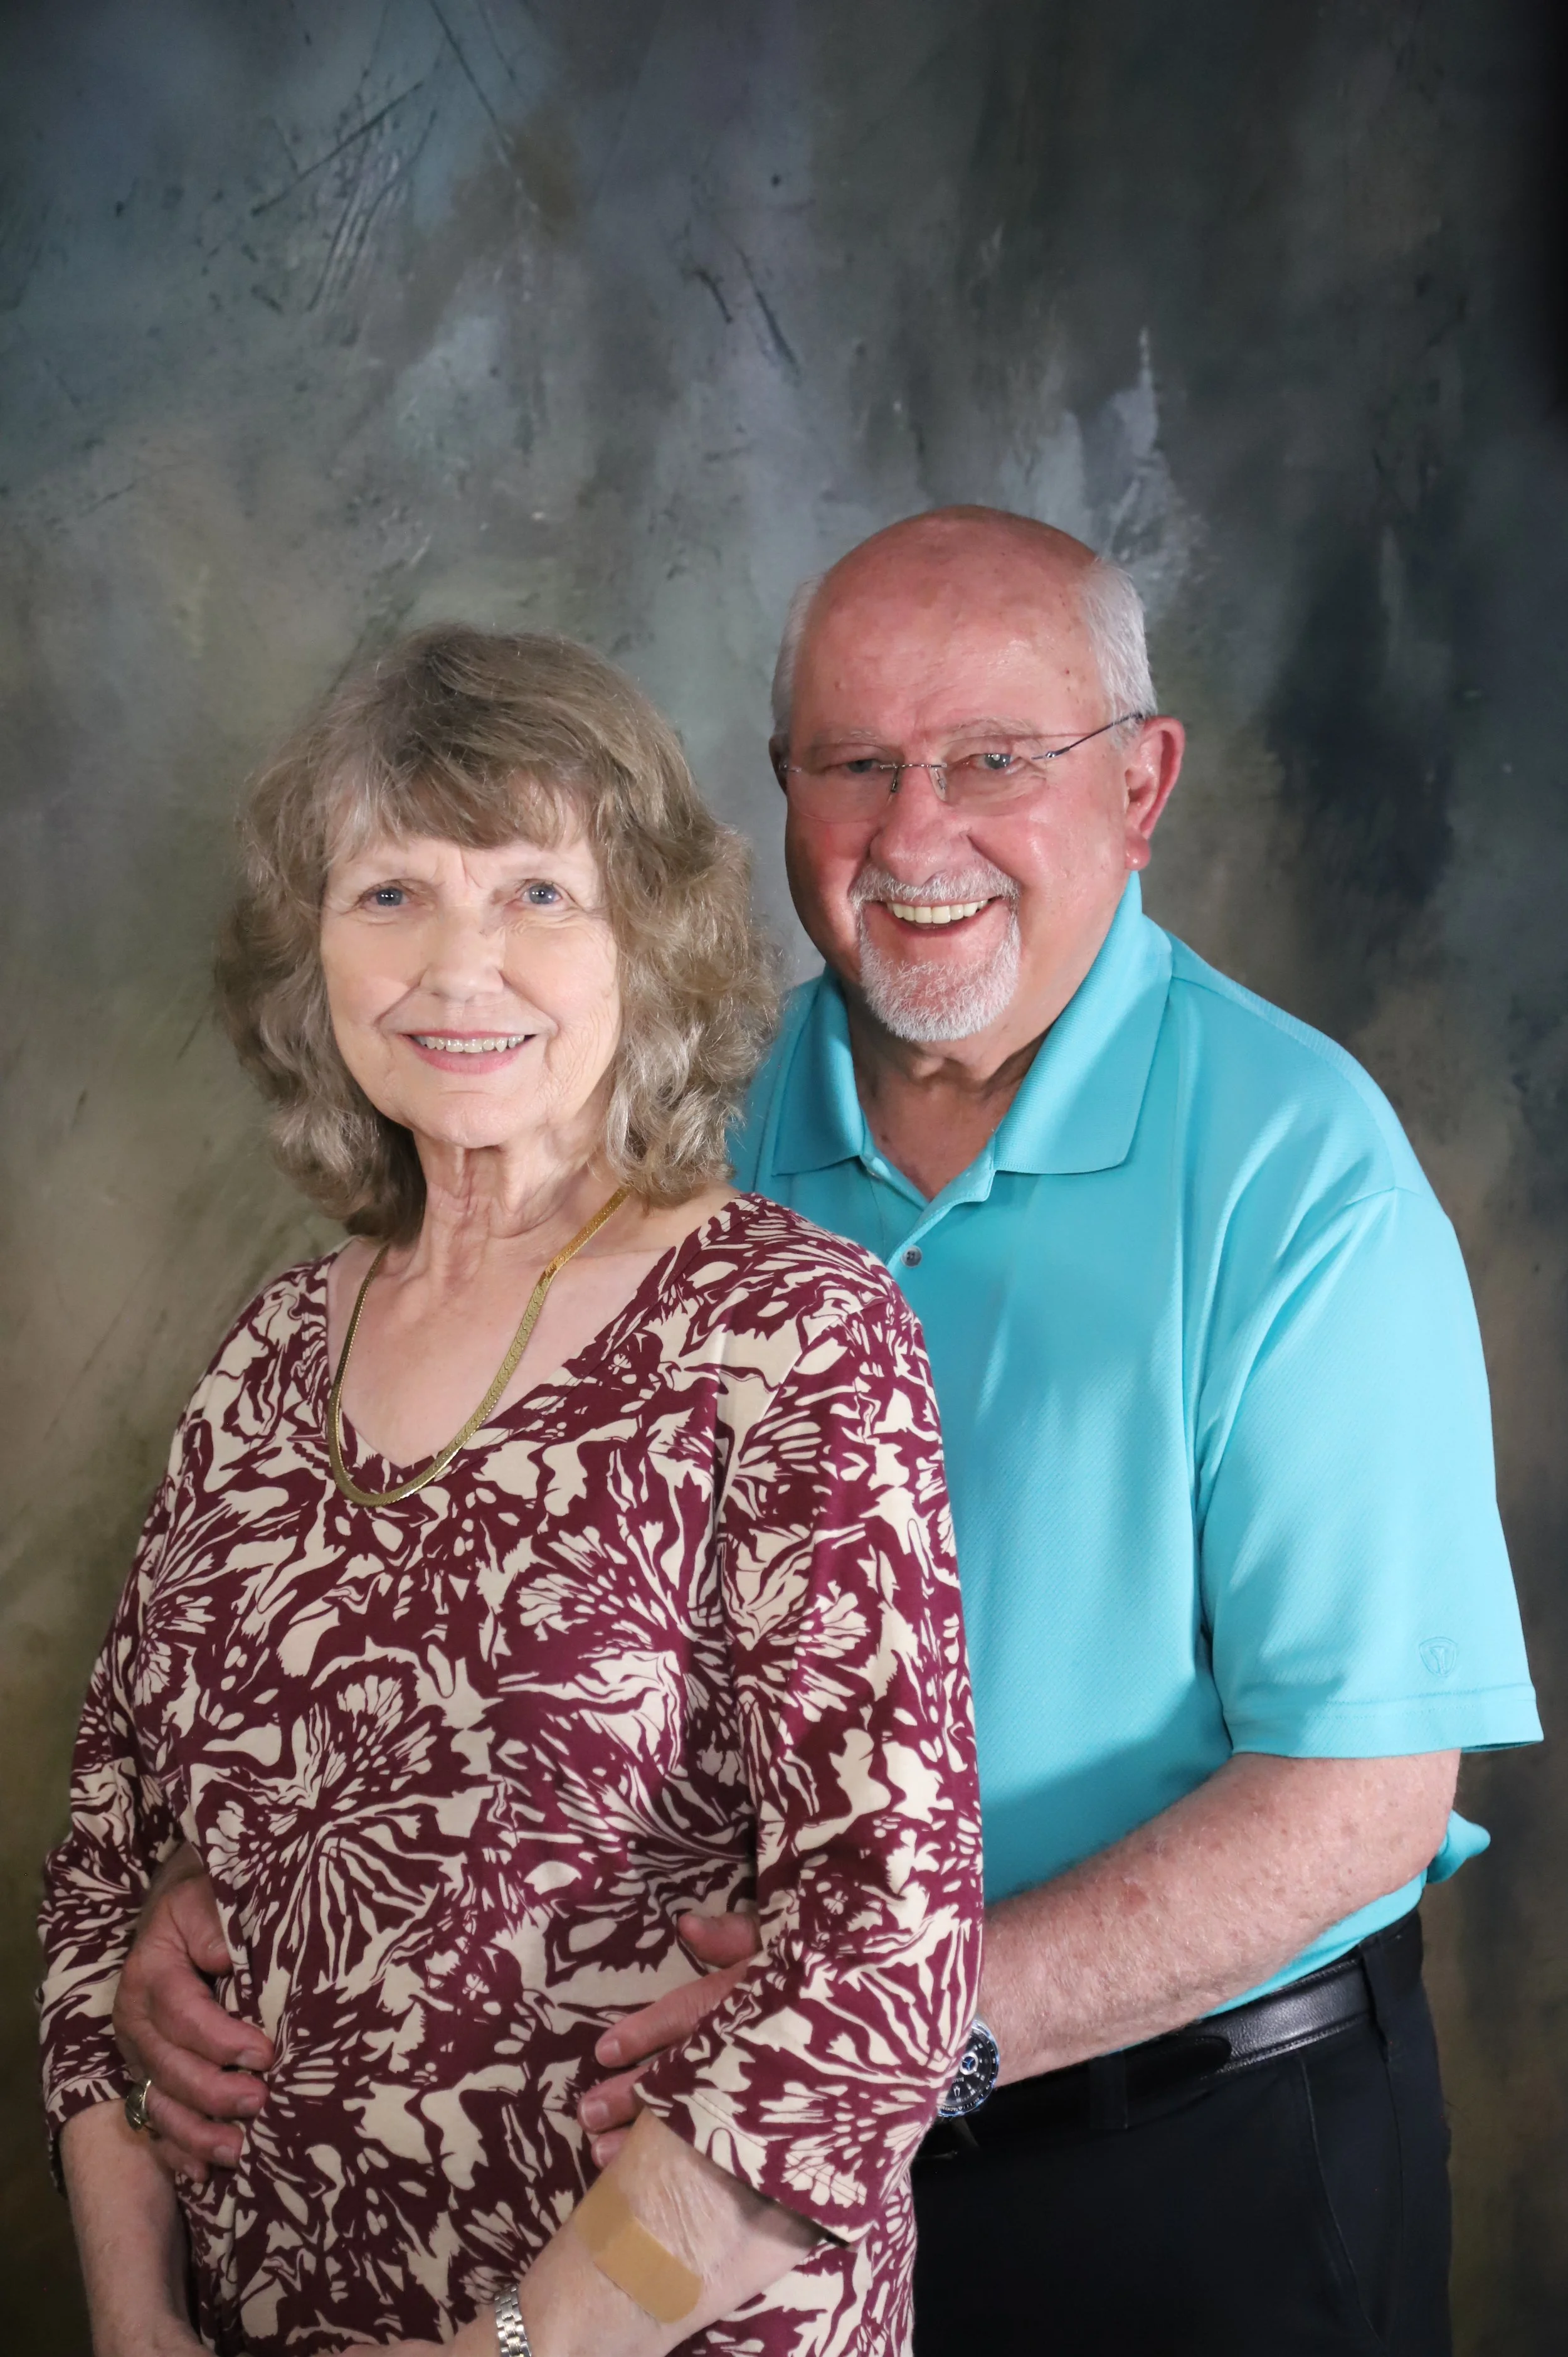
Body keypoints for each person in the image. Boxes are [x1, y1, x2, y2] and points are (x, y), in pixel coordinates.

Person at [114, 510, 1542, 2356]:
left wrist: (896, 2028)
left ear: (1142, 782)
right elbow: (431, 1606)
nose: (913, 832)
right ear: (775, 792)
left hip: (1174, 2156)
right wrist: (228, 1887)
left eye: (991, 763)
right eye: (851, 765)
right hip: (683, 2200)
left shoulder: (1295, 1166)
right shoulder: (671, 1112)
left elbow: (1362, 1794)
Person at [38, 625, 985, 2357]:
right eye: (390, 891)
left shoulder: (792, 1333)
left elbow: (881, 1957)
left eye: (538, 893)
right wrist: (130, 2314)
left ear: (650, 940)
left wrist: (520, 2351)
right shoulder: (267, 1351)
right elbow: (101, 1863)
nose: (457, 965)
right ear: (309, 951)